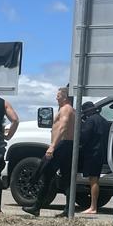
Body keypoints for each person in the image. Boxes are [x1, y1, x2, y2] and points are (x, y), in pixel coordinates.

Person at [23, 86, 75, 217]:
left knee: (45, 172)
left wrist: (52, 146)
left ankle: (36, 206)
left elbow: (63, 127)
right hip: (67, 145)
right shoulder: (71, 110)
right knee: (66, 177)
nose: (56, 98)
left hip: (61, 145)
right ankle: (68, 210)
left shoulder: (66, 109)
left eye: (58, 96)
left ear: (65, 97)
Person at [79, 101, 109, 214]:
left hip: (92, 152)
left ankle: (93, 207)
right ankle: (93, 206)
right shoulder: (104, 121)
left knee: (93, 179)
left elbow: (84, 137)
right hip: (101, 152)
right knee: (95, 179)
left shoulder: (90, 121)